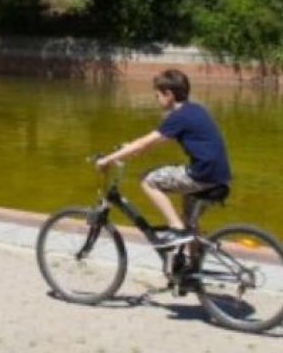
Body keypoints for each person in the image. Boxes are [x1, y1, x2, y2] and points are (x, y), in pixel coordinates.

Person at [95, 69, 230, 244]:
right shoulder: (195, 109)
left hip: (202, 175)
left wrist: (107, 159)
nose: (156, 99)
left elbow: (144, 143)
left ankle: (176, 227)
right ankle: (189, 263)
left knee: (148, 180)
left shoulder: (178, 117)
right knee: (189, 225)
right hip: (219, 176)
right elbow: (152, 141)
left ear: (169, 95)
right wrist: (130, 148)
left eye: (157, 95)